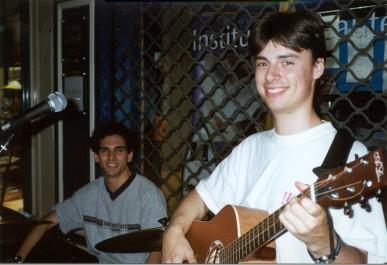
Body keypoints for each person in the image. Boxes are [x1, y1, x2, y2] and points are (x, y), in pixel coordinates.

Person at [162, 10, 387, 264]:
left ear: (317, 67)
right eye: (263, 63)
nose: (271, 75)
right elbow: (199, 198)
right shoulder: (250, 147)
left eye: (287, 61)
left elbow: (368, 260)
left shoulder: (349, 158)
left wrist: (326, 244)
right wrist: (174, 231)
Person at [15, 122, 168, 263]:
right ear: (96, 156)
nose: (111, 157)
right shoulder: (87, 195)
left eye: (119, 150)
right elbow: (46, 223)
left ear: (129, 155)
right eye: (104, 151)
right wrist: (18, 259)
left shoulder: (148, 195)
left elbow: (157, 250)